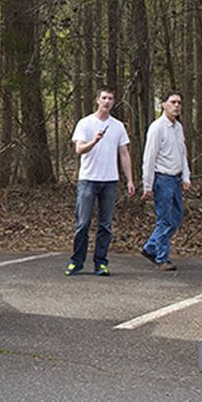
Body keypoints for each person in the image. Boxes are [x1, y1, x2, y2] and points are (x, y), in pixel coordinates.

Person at [68, 88, 134, 276]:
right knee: (83, 223)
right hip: (88, 180)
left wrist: (129, 179)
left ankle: (101, 262)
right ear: (97, 100)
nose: (106, 102)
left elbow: (124, 153)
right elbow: (79, 149)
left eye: (110, 99)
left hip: (110, 181)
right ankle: (76, 261)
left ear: (114, 102)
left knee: (105, 225)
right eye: (103, 98)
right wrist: (94, 142)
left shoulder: (118, 126)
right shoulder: (85, 123)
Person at [138, 91, 192, 270]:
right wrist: (148, 185)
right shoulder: (157, 127)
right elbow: (149, 157)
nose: (176, 106)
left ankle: (150, 247)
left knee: (176, 218)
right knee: (165, 219)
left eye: (179, 103)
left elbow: (182, 153)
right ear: (163, 105)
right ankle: (161, 258)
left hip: (175, 179)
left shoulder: (178, 127)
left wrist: (186, 176)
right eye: (172, 102)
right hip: (162, 179)